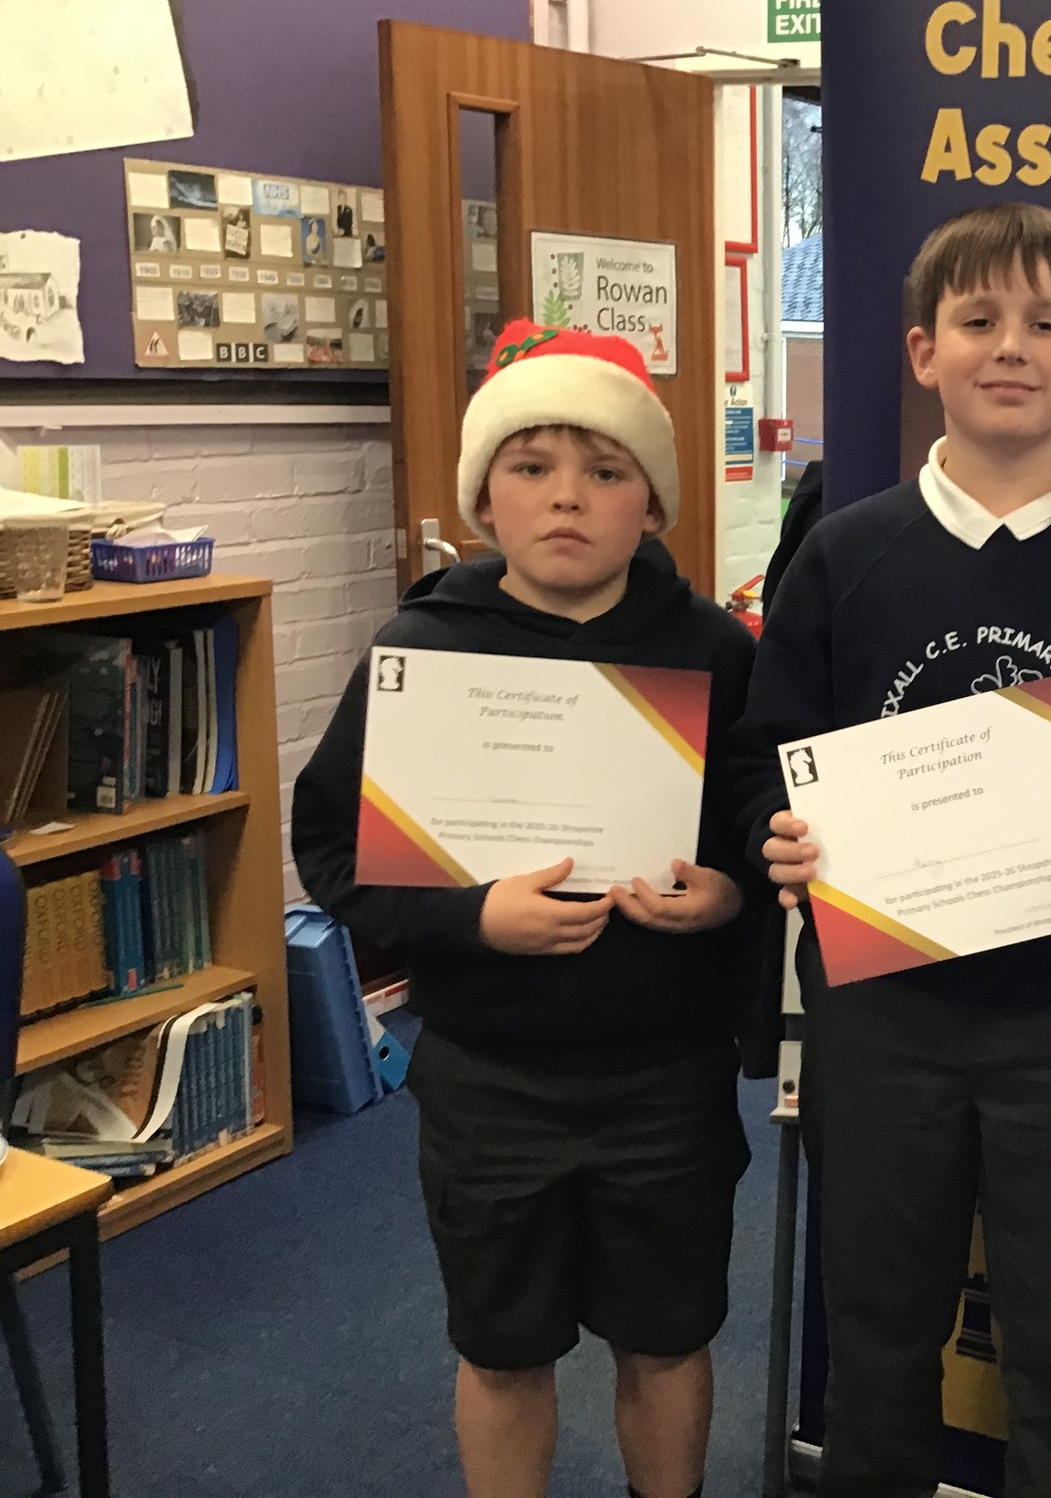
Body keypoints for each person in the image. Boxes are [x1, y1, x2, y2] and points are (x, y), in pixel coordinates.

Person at [727, 202, 1051, 1498]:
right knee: (877, 1330)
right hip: (883, 1006)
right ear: (923, 352)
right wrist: (775, 833)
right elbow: (765, 753)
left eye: (1044, 324)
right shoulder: (843, 556)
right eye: (977, 320)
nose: (1011, 346)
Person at [292, 321, 766, 1498]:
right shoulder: (422, 649)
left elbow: (762, 824)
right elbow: (333, 850)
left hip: (664, 1074)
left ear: (651, 507)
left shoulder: (712, 651)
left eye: (605, 471)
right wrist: (472, 920)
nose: (566, 497)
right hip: (489, 1077)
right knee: (502, 1349)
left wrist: (727, 894)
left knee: (667, 1336)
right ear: (481, 501)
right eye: (531, 466)